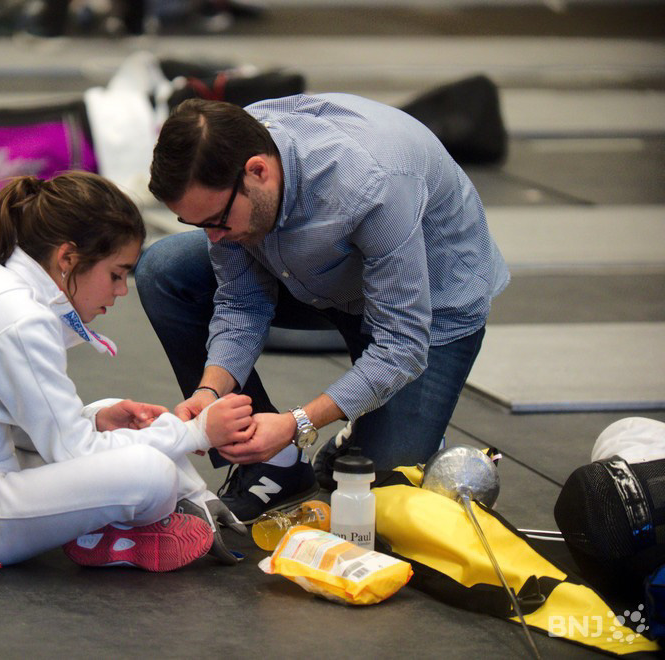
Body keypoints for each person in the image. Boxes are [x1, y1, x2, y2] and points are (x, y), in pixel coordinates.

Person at [135, 94, 510, 523]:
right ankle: (274, 464)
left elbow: (402, 344)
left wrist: (297, 423)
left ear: (258, 171)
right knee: (165, 270)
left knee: (381, 504)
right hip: (320, 277)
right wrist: (209, 392)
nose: (213, 237)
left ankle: (374, 427)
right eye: (197, 224)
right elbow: (241, 301)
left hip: (427, 308)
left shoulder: (372, 183)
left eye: (217, 220)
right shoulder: (234, 154)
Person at [0, 171, 254, 573]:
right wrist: (197, 434)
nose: (122, 290)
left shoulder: (6, 290)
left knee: (110, 417)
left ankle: (180, 504)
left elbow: (15, 427)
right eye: (116, 274)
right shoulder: (20, 318)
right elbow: (74, 452)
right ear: (67, 259)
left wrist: (100, 421)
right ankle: (128, 525)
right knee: (151, 473)